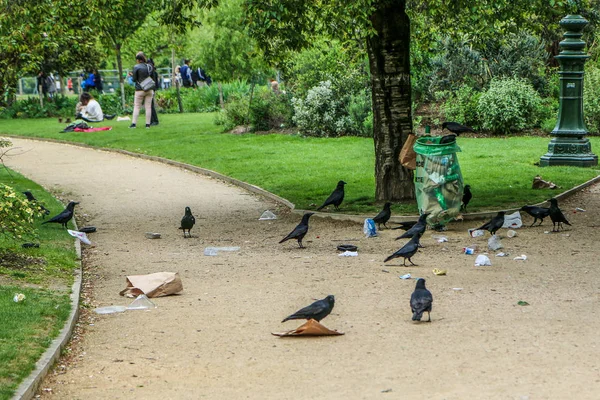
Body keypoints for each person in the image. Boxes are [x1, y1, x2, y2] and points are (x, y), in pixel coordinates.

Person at [130, 51, 154, 129]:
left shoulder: (136, 67)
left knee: (137, 106)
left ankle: (134, 124)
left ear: (138, 60)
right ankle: (147, 124)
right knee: (148, 107)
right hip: (149, 88)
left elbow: (134, 79)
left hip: (139, 89)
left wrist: (132, 75)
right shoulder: (149, 66)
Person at [147, 58, 159, 126]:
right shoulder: (154, 71)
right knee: (150, 105)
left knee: (150, 105)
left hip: (150, 88)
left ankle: (154, 120)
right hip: (153, 88)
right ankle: (152, 120)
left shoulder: (150, 70)